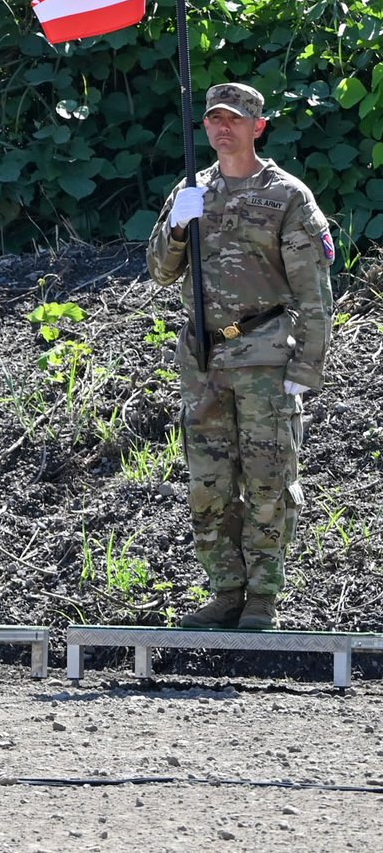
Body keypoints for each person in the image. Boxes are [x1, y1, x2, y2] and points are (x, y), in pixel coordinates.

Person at [148, 82, 334, 631]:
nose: (222, 128)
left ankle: (262, 600)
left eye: (234, 119)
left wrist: (307, 368)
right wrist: (177, 226)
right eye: (213, 120)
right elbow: (161, 271)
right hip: (205, 359)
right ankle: (226, 591)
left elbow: (313, 291)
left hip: (266, 355)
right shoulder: (190, 190)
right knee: (208, 484)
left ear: (259, 126)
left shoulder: (285, 195)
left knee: (268, 482)